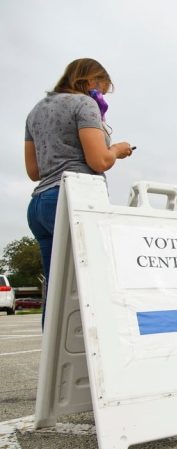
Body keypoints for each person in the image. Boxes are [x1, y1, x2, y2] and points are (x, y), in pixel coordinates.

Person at [25, 58, 133, 319]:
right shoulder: (84, 104)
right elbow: (99, 161)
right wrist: (116, 150)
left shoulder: (35, 111)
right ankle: (95, 357)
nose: (102, 98)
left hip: (40, 202)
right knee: (94, 284)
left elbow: (33, 171)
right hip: (74, 197)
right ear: (91, 81)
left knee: (57, 290)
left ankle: (54, 358)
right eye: (102, 90)